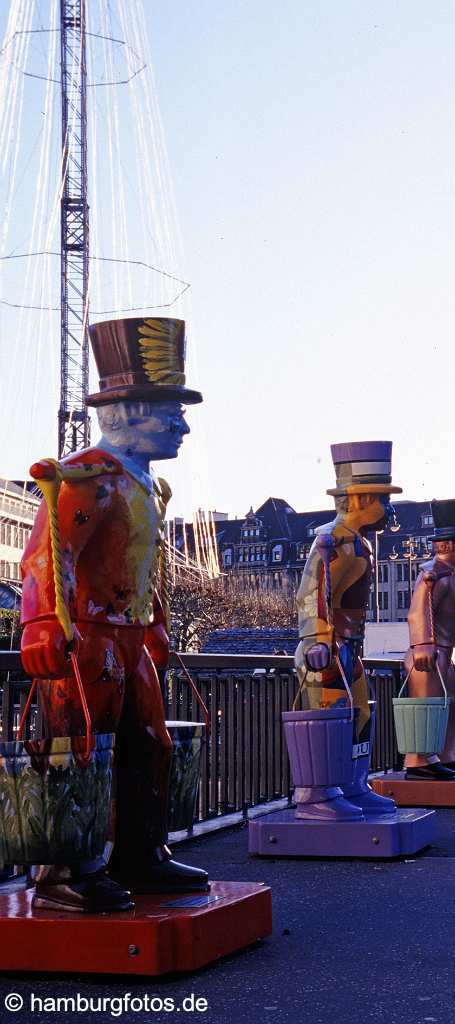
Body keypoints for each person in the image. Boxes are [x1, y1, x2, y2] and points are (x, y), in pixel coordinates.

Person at [21, 316, 209, 913]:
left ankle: (139, 853)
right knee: (80, 744)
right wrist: (44, 622)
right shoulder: (91, 478)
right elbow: (49, 556)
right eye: (170, 411)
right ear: (128, 413)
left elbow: (137, 565)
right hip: (89, 636)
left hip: (126, 636)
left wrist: (152, 622)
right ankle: (66, 867)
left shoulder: (138, 482)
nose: (181, 426)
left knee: (149, 741)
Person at [293, 440, 402, 819]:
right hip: (329, 644)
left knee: (359, 712)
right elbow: (312, 591)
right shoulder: (332, 541)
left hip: (348, 644)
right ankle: (318, 793)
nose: (388, 509)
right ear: (360, 500)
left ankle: (353, 784)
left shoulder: (357, 543)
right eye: (382, 500)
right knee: (330, 713)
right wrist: (316, 639)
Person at [403, 498, 455, 780]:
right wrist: (423, 644)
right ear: (453, 545)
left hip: (443, 652)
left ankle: (447, 754)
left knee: (450, 703)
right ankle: (418, 759)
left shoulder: (450, 576)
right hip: (429, 653)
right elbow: (419, 611)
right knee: (427, 704)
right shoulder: (432, 575)